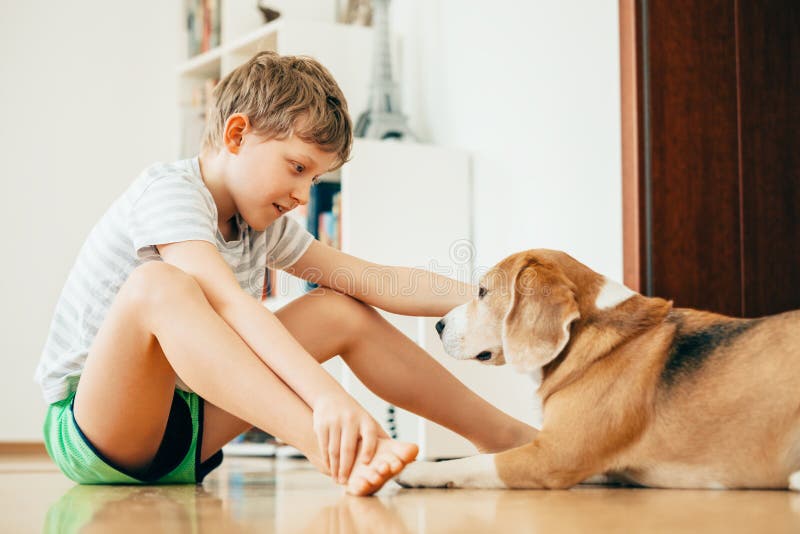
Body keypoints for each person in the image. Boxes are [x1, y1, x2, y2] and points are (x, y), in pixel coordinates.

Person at [35, 51, 537, 495]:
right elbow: (231, 305)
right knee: (159, 284)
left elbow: (375, 279)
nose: (303, 194)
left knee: (339, 307)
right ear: (237, 134)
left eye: (315, 179)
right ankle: (328, 445)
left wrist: (500, 299)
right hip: (96, 429)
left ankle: (512, 441)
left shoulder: (263, 225)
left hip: (187, 433)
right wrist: (325, 400)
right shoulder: (170, 193)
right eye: (297, 168)